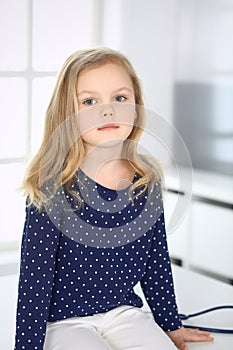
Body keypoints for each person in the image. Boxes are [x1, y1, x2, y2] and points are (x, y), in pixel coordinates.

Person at [14, 47, 213, 350]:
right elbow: (34, 280)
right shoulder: (52, 188)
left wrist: (170, 325)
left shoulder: (145, 182)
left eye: (119, 98)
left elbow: (156, 261)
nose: (107, 111)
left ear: (136, 107)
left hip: (124, 313)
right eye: (90, 101)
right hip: (65, 321)